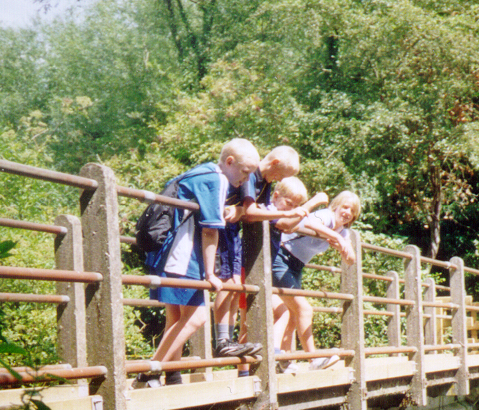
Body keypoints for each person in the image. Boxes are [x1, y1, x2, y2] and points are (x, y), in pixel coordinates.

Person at [137, 138, 259, 388]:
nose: (246, 180)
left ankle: (169, 375)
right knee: (197, 317)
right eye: (245, 172)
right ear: (229, 162)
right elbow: (210, 231)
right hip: (181, 256)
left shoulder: (201, 171)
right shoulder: (216, 179)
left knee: (177, 318)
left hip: (168, 253)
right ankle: (149, 372)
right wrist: (211, 274)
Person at [213, 145, 302, 359]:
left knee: (235, 288)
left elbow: (261, 211)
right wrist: (248, 211)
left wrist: (247, 211)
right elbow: (254, 212)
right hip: (224, 228)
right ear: (273, 164)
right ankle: (221, 340)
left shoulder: (266, 182)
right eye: (279, 174)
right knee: (228, 285)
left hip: (234, 232)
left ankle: (228, 340)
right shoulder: (252, 175)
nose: (278, 179)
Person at [271, 189, 360, 372]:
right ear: (336, 206)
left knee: (293, 314)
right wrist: (333, 236)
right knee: (304, 309)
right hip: (281, 258)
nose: (347, 213)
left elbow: (351, 260)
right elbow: (308, 221)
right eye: (345, 207)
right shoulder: (326, 216)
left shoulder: (343, 231)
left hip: (296, 266)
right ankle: (314, 359)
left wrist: (343, 249)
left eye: (352, 211)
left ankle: (284, 361)